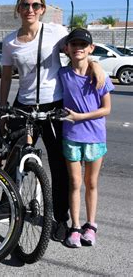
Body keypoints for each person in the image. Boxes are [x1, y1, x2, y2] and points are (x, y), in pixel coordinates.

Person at [0, 0, 105, 242]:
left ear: (43, 9)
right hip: (23, 104)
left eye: (36, 5)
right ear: (18, 8)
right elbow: (5, 76)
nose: (30, 10)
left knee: (59, 165)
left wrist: (95, 64)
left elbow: (79, 49)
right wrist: (3, 108)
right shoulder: (9, 41)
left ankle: (60, 218)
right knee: (14, 158)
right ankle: (7, 204)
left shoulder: (56, 33)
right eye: (25, 5)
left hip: (53, 105)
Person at [59, 28, 114, 248]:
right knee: (74, 182)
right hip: (71, 137)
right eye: (74, 44)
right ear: (67, 48)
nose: (78, 48)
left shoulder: (99, 75)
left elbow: (106, 109)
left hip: (95, 137)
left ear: (90, 48)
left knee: (91, 183)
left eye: (83, 45)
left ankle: (90, 226)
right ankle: (75, 227)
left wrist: (81, 116)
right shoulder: (63, 74)